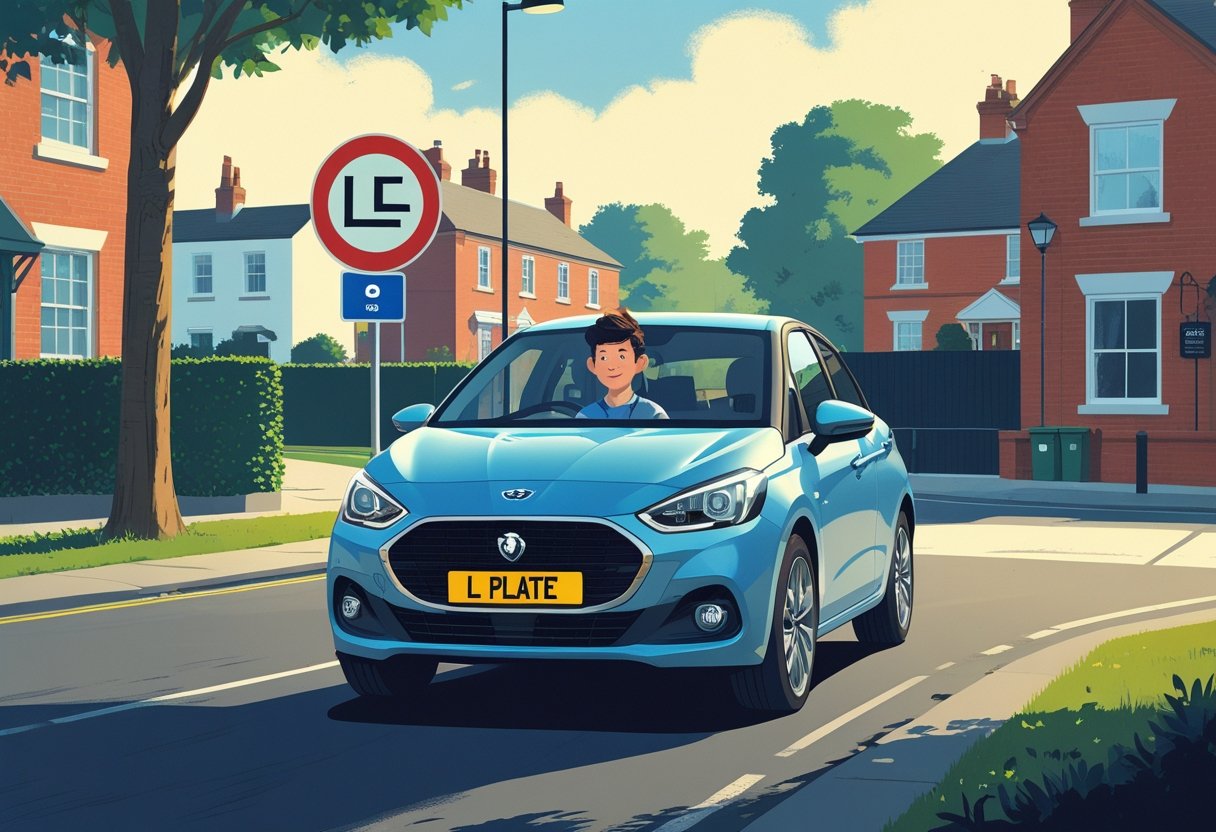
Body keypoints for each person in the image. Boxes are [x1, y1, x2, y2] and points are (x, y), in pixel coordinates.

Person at [576, 308, 668, 420]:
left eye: (622, 356)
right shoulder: (585, 417)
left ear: (640, 363)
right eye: (604, 358)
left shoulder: (653, 414)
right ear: (593, 365)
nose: (612, 366)